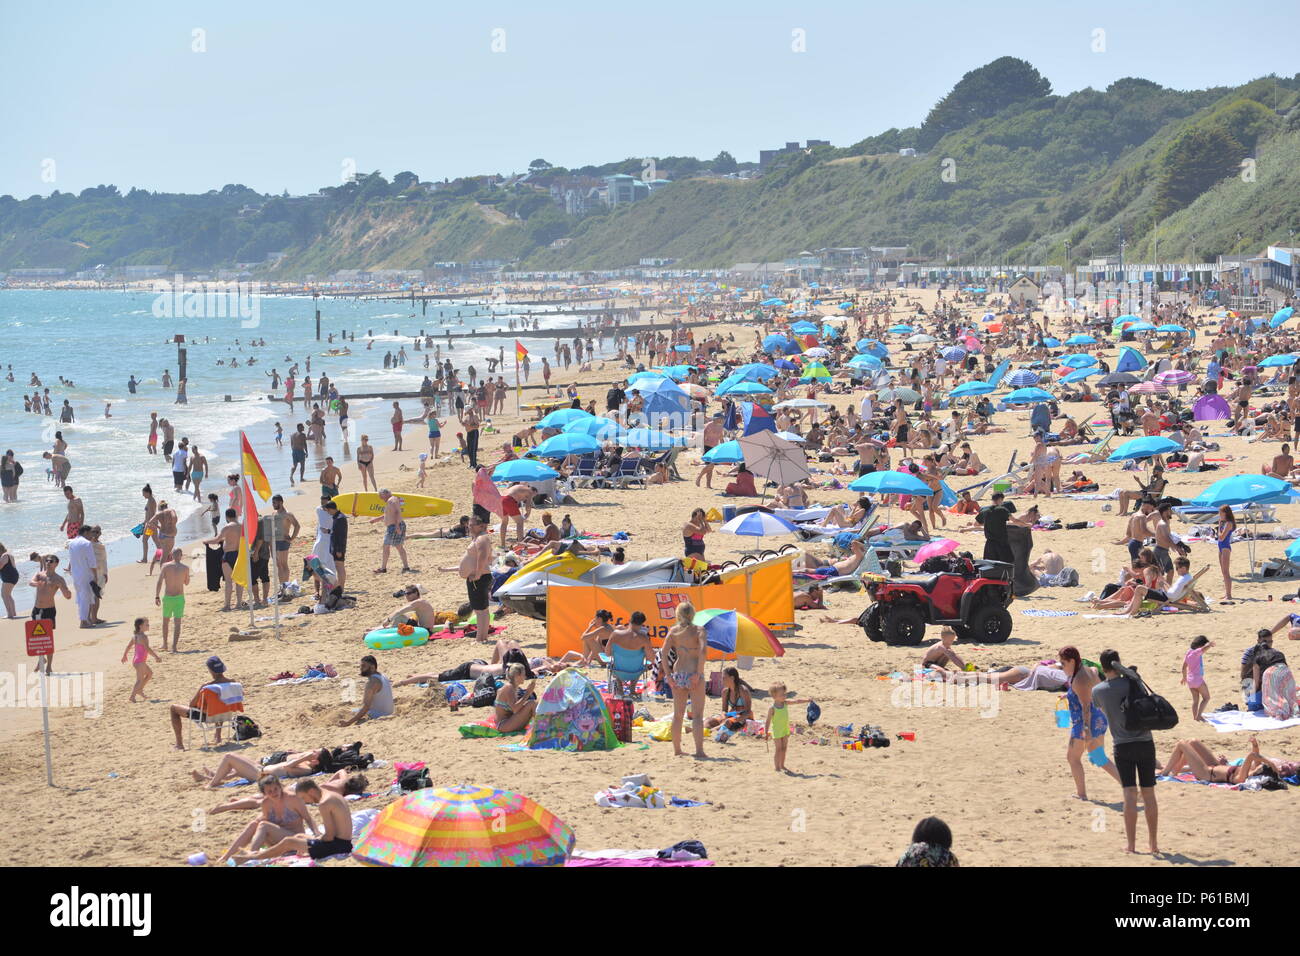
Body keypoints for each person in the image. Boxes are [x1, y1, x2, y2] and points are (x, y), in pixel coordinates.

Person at [1090, 649, 1159, 855]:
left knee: (1129, 794)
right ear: (1119, 663)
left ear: (1103, 668)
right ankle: (1154, 844)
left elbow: (1102, 710)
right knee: (1149, 795)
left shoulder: (1099, 691)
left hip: (1122, 745)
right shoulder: (1134, 682)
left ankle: (1131, 845)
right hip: (1146, 742)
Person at [233, 778, 354, 863]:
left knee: (288, 841)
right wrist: (310, 839)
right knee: (301, 836)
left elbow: (329, 837)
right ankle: (253, 855)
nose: (305, 801)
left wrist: (316, 839)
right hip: (345, 843)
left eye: (303, 797)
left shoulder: (324, 803)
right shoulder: (332, 795)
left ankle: (251, 857)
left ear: (311, 791)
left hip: (338, 846)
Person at [1059, 646, 1123, 800]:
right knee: (1099, 758)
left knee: (1073, 758)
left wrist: (1086, 731)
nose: (1062, 668)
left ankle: (1082, 794)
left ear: (1072, 661)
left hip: (1085, 723)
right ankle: (1131, 786)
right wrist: (1069, 696)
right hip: (1100, 718)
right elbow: (1090, 691)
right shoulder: (1089, 669)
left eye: (1063, 664)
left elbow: (1086, 706)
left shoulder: (1079, 679)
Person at [216, 775, 316, 865]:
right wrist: (256, 823)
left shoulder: (293, 799)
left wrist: (317, 833)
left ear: (280, 787)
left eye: (276, 789)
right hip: (275, 843)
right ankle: (226, 857)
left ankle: (250, 856)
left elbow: (308, 818)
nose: (274, 793)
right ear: (264, 793)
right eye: (269, 791)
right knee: (253, 824)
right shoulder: (266, 804)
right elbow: (265, 821)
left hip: (294, 839)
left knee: (263, 825)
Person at [663, 600, 707, 758]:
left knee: (678, 714)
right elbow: (702, 651)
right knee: (697, 715)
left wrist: (668, 675)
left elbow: (663, 653)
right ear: (693, 614)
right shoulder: (699, 630)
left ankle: (677, 749)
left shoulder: (674, 631)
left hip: (679, 672)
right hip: (694, 672)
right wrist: (698, 673)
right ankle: (699, 750)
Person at [169, 656, 236, 750]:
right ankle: (218, 736)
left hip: (207, 717)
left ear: (210, 670)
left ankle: (179, 744)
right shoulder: (233, 683)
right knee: (221, 703)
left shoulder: (206, 686)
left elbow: (191, 705)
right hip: (226, 714)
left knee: (173, 708)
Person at [1160, 736, 1282, 785]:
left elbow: (1251, 756)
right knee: (1193, 742)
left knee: (1182, 744)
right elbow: (1255, 755)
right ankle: (1176, 770)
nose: (1259, 766)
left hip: (1206, 773)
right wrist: (1255, 744)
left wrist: (1270, 763)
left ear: (1261, 773)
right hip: (1214, 765)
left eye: (1261, 768)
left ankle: (1165, 772)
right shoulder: (1253, 770)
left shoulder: (1243, 777)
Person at [458, 514, 494, 640]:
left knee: (480, 611)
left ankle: (480, 638)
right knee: (482, 610)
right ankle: (482, 637)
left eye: (473, 525)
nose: (470, 527)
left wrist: (477, 574)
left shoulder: (482, 538)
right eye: (469, 525)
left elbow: (483, 557)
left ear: (481, 526)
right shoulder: (478, 538)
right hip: (478, 577)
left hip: (479, 578)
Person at [340, 655, 394, 726]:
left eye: (363, 666)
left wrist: (349, 722)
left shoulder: (372, 683)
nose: (361, 669)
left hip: (379, 715)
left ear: (372, 667)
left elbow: (366, 706)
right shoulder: (383, 676)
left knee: (346, 713)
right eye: (361, 666)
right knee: (353, 710)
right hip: (389, 712)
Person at [154, 547, 190, 651]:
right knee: (177, 623)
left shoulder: (165, 566)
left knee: (165, 622)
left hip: (168, 597)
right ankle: (174, 646)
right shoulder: (185, 568)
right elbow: (186, 583)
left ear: (172, 555)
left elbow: (159, 581)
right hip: (179, 598)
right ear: (181, 556)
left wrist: (157, 596)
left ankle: (165, 644)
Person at [372, 489, 415, 573]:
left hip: (394, 527)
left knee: (389, 546)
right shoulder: (393, 500)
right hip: (395, 526)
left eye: (381, 496)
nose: (380, 498)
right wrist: (376, 519)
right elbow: (389, 514)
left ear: (385, 494)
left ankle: (384, 568)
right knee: (395, 546)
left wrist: (397, 526)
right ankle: (404, 567)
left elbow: (396, 513)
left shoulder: (391, 500)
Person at [121, 616, 161, 703]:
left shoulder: (135, 636)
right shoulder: (143, 637)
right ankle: (132, 696)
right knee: (139, 680)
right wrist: (156, 657)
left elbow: (128, 646)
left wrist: (125, 655)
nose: (148, 625)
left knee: (149, 674)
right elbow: (147, 649)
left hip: (137, 661)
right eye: (146, 624)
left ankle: (139, 690)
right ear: (140, 626)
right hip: (140, 661)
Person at [66, 525, 98, 629]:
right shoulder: (87, 543)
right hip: (85, 573)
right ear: (85, 533)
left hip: (75, 574)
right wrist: (95, 575)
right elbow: (92, 562)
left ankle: (85, 619)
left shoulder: (71, 543)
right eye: (90, 533)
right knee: (86, 597)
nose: (91, 536)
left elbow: (71, 559)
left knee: (80, 597)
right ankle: (84, 621)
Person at [706, 667, 754, 732]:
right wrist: (724, 715)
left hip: (745, 717)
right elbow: (724, 710)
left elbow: (748, 711)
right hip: (732, 715)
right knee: (710, 720)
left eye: (724, 678)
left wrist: (738, 718)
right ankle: (699, 730)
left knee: (727, 722)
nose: (721, 680)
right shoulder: (725, 692)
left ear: (732, 678)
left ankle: (711, 731)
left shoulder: (743, 691)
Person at [494, 662, 538, 734]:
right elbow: (515, 709)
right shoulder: (509, 688)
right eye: (523, 674)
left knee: (532, 704)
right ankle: (542, 727)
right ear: (517, 676)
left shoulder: (513, 687)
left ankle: (541, 726)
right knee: (532, 704)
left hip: (508, 721)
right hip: (503, 725)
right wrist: (528, 693)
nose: (525, 677)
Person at [1181, 635, 1213, 722]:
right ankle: (1199, 716)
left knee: (1195, 701)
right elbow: (1203, 649)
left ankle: (1195, 717)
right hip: (1197, 679)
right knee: (1206, 698)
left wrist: (1184, 678)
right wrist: (1209, 645)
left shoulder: (1188, 652)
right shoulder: (1196, 653)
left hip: (1190, 680)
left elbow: (1183, 667)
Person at [975, 491, 1014, 563]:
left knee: (990, 565)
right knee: (1007, 563)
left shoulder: (985, 511)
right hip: (1002, 542)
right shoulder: (1002, 510)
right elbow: (1014, 520)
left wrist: (988, 523)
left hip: (989, 544)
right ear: (1000, 499)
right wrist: (1026, 524)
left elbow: (976, 524)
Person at [765, 680, 792, 773]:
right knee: (778, 749)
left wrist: (807, 700)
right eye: (782, 695)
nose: (784, 696)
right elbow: (768, 721)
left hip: (785, 730)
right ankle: (777, 767)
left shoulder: (785, 703)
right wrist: (766, 732)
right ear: (774, 696)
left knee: (784, 748)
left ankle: (782, 765)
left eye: (785, 694)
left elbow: (796, 701)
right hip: (776, 731)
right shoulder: (772, 708)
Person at [1215, 505, 1235, 604]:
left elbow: (1221, 537)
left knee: (1226, 572)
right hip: (1220, 547)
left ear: (1225, 513)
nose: (1219, 515)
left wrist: (1219, 528)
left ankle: (1229, 594)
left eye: (1221, 513)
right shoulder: (1224, 523)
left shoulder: (1229, 523)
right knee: (1223, 572)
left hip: (1225, 547)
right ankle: (1226, 593)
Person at [0, 543, 17, 618]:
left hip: (9, 577)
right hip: (13, 576)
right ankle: (13, 613)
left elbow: (0, 566)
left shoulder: (4, 555)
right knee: (8, 595)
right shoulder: (9, 554)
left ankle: (9, 614)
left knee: (4, 595)